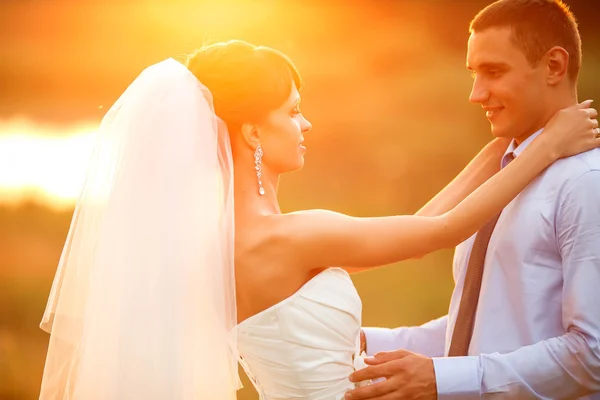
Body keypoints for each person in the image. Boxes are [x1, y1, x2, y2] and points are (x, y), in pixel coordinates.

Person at [38, 38, 599, 399]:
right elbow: (436, 232)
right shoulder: (289, 235)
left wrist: (507, 144)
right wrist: (544, 147)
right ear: (253, 132)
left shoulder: (228, 238)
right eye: (293, 110)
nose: (305, 125)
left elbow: (417, 223)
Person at [350, 1, 600, 399]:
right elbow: (484, 327)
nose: (475, 94)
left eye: (494, 72)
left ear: (554, 66)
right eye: (473, 73)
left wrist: (441, 378)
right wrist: (364, 344)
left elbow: (592, 355)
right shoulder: (501, 177)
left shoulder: (587, 182)